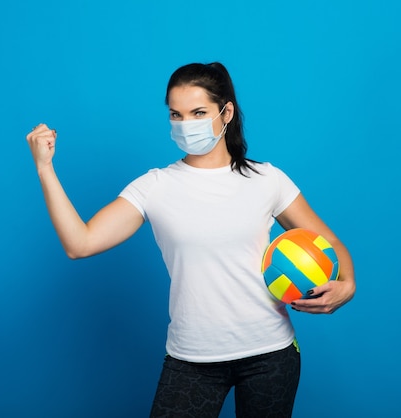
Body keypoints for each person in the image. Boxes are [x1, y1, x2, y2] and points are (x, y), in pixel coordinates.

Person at [26, 62, 355, 418]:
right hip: (193, 359)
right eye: (176, 115)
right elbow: (81, 243)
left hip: (270, 355)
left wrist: (347, 285)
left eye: (198, 113)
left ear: (225, 112)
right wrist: (45, 168)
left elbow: (329, 243)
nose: (186, 125)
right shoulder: (154, 187)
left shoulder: (266, 179)